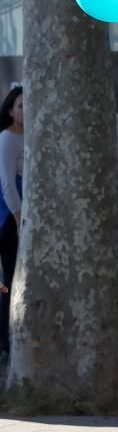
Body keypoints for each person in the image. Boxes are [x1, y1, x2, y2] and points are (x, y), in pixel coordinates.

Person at [0, 86, 23, 361]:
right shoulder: (6, 139)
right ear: (10, 110)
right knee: (9, 281)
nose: (25, 111)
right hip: (8, 220)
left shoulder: (33, 137)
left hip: (23, 218)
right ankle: (6, 344)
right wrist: (19, 219)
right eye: (20, 105)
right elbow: (7, 184)